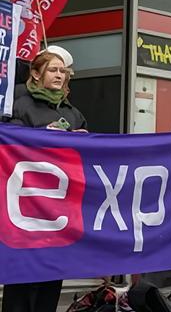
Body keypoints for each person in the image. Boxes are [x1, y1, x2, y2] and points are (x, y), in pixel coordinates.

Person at [1, 47, 85, 312]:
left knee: (50, 282)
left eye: (64, 71)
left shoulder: (73, 113)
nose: (60, 75)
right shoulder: (17, 103)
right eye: (53, 70)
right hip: (24, 210)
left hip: (57, 211)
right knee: (22, 284)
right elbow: (8, 140)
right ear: (36, 74)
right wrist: (41, 135)